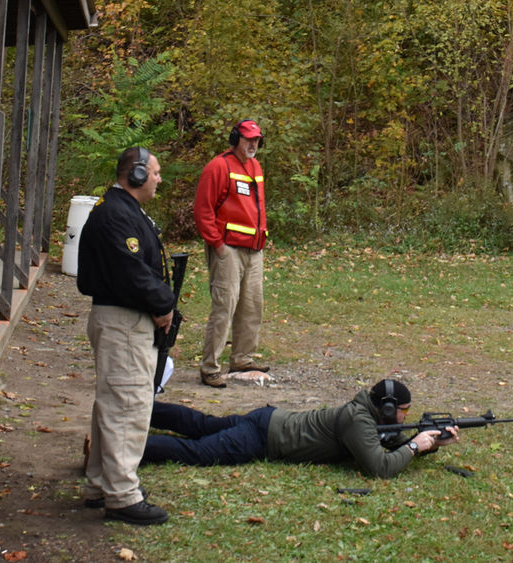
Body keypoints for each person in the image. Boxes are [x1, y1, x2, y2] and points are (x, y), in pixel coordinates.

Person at [76, 147, 174, 525]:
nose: (158, 179)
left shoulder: (120, 210)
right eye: (155, 172)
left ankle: (101, 484)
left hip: (123, 319)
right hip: (124, 322)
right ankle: (122, 494)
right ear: (135, 175)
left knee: (112, 403)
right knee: (127, 405)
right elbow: (132, 272)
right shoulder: (117, 215)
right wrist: (163, 302)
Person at [143, 379, 459, 478]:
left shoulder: (368, 414)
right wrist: (415, 445)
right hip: (264, 437)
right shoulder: (359, 421)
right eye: (403, 411)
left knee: (203, 425)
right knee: (199, 451)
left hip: (268, 419)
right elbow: (379, 467)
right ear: (388, 409)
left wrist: (431, 442)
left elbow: (391, 446)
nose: (406, 416)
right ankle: (124, 446)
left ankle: (141, 410)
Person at [193, 119, 269, 388]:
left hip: (254, 250)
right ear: (235, 138)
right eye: (248, 139)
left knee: (251, 307)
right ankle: (210, 367)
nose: (253, 144)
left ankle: (242, 359)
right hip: (228, 249)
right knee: (224, 307)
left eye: (256, 140)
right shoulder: (218, 167)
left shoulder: (256, 167)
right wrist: (218, 245)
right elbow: (203, 211)